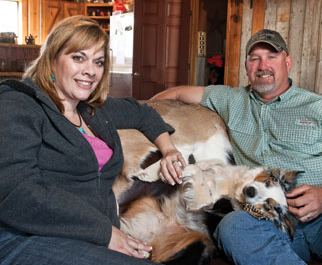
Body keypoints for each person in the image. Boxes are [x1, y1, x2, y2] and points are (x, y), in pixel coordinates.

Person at [151, 29, 322, 264]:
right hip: (269, 214)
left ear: (288, 62)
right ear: (247, 67)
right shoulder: (231, 99)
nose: (262, 65)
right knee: (232, 228)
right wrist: (141, 114)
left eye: (272, 56)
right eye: (254, 58)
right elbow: (177, 93)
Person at [0, 15, 185, 265]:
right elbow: (15, 192)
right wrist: (104, 233)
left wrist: (169, 150)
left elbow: (144, 113)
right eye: (78, 58)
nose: (90, 70)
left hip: (89, 237)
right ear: (52, 60)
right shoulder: (19, 104)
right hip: (24, 237)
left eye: (98, 62)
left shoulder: (93, 109)